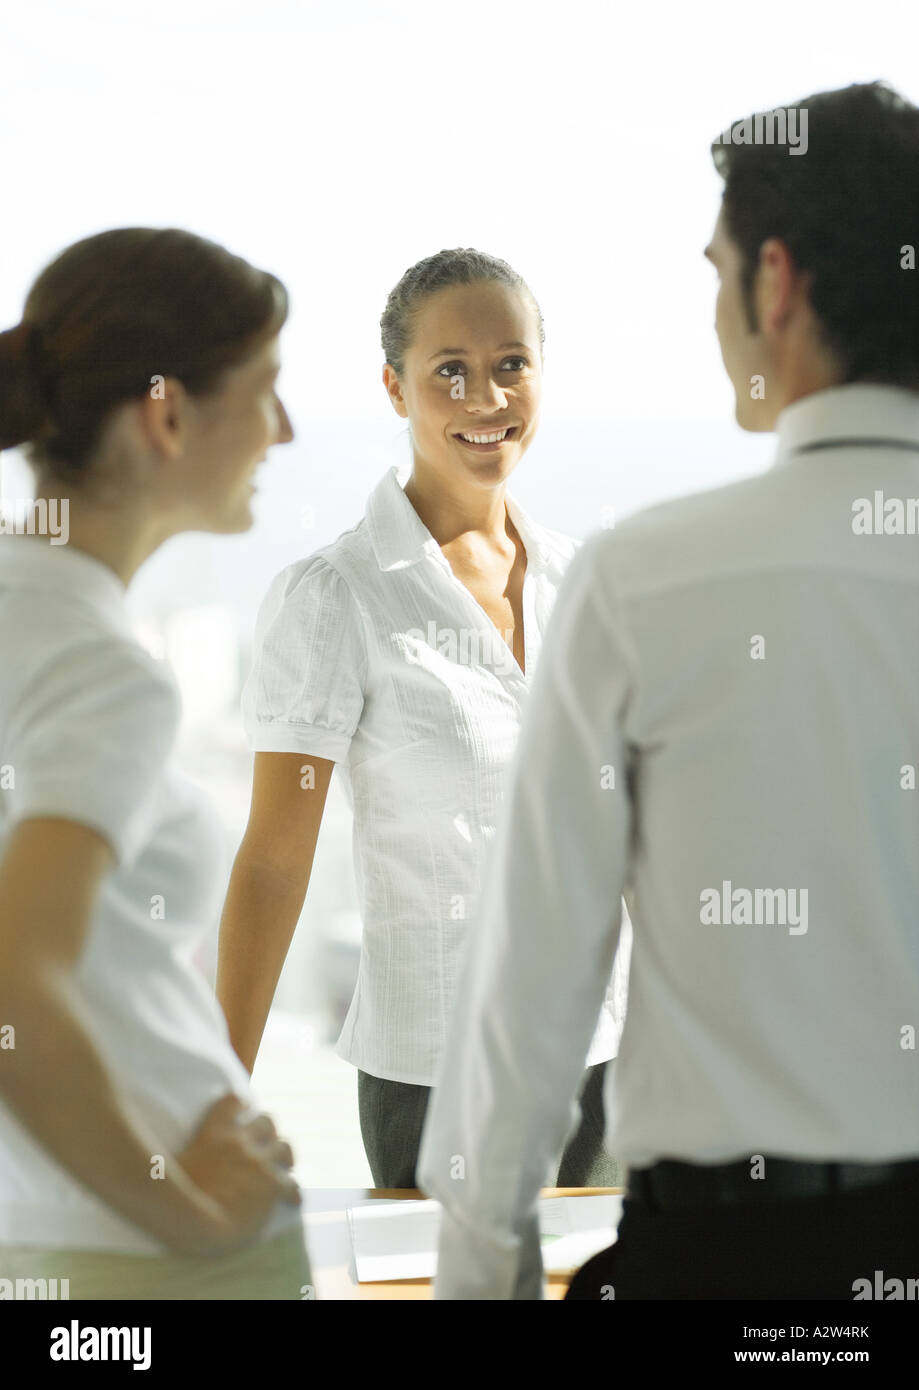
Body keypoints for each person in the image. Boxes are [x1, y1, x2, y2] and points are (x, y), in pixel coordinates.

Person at [417, 80, 919, 1299]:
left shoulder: (645, 581)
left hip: (741, 1264)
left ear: (778, 284)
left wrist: (483, 1272)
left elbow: (531, 985)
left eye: (717, 272)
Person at [217, 249, 629, 1189]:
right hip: (439, 1079)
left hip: (608, 1064)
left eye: (509, 364)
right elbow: (276, 860)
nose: (485, 397)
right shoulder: (333, 598)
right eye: (450, 370)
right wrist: (214, 1100)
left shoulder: (585, 583)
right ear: (395, 389)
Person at [0, 228, 311, 1299]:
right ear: (168, 414)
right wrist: (193, 1212)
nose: (286, 428)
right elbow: (12, 984)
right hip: (154, 1260)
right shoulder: (99, 667)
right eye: (266, 391)